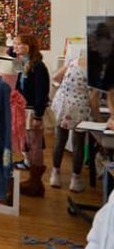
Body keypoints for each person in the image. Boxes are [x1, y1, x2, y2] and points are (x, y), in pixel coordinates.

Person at [14, 34, 50, 197]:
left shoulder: (38, 66)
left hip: (33, 111)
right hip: (24, 109)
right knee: (29, 143)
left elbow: (41, 92)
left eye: (19, 44)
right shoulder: (22, 63)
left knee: (35, 144)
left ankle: (36, 182)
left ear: (29, 46)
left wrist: (38, 115)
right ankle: (33, 179)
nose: (16, 47)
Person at [50, 58, 93, 192]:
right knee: (78, 143)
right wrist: (97, 118)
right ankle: (75, 180)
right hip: (81, 107)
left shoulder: (74, 60)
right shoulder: (98, 68)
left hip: (64, 104)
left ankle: (55, 175)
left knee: (59, 140)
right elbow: (93, 99)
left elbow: (56, 77)